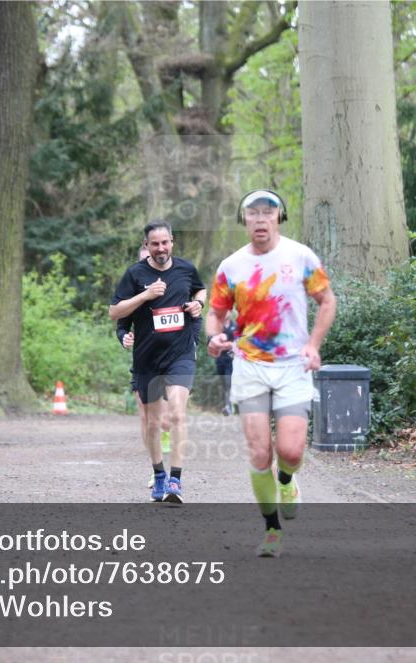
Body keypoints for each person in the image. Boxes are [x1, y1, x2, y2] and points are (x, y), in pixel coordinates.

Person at [205, 190, 337, 556]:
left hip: (293, 366)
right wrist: (214, 337)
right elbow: (215, 313)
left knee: (290, 451)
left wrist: (314, 345)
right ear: (244, 220)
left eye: (268, 211)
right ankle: (272, 530)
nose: (261, 218)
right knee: (260, 452)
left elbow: (327, 300)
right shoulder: (231, 266)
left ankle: (288, 479)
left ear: (279, 217)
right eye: (253, 213)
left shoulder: (300, 256)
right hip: (250, 366)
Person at [110, 220, 206, 503]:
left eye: (165, 242)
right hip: (147, 358)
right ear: (146, 245)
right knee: (152, 423)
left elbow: (200, 289)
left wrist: (199, 303)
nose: (161, 248)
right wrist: (146, 294)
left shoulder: (186, 269)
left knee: (177, 412)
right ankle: (159, 475)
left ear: (172, 241)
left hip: (180, 355)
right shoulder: (135, 274)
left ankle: (176, 480)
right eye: (155, 244)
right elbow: (115, 312)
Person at [214, 316, 235, 416]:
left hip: (231, 360)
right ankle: (227, 405)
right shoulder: (217, 327)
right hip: (219, 360)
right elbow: (212, 343)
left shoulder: (235, 326)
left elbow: (237, 343)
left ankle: (228, 407)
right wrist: (228, 345)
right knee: (223, 384)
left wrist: (223, 345)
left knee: (228, 383)